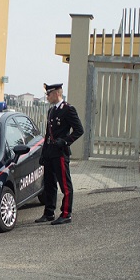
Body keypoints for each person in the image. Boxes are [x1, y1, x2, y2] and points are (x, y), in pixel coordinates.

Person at [35, 83, 84, 225]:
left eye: (49, 94)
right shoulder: (51, 111)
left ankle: (66, 213)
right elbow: (47, 133)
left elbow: (79, 130)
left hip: (60, 153)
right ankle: (49, 212)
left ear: (57, 93)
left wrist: (65, 141)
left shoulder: (68, 109)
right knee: (49, 184)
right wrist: (44, 153)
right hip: (50, 152)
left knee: (65, 184)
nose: (47, 97)